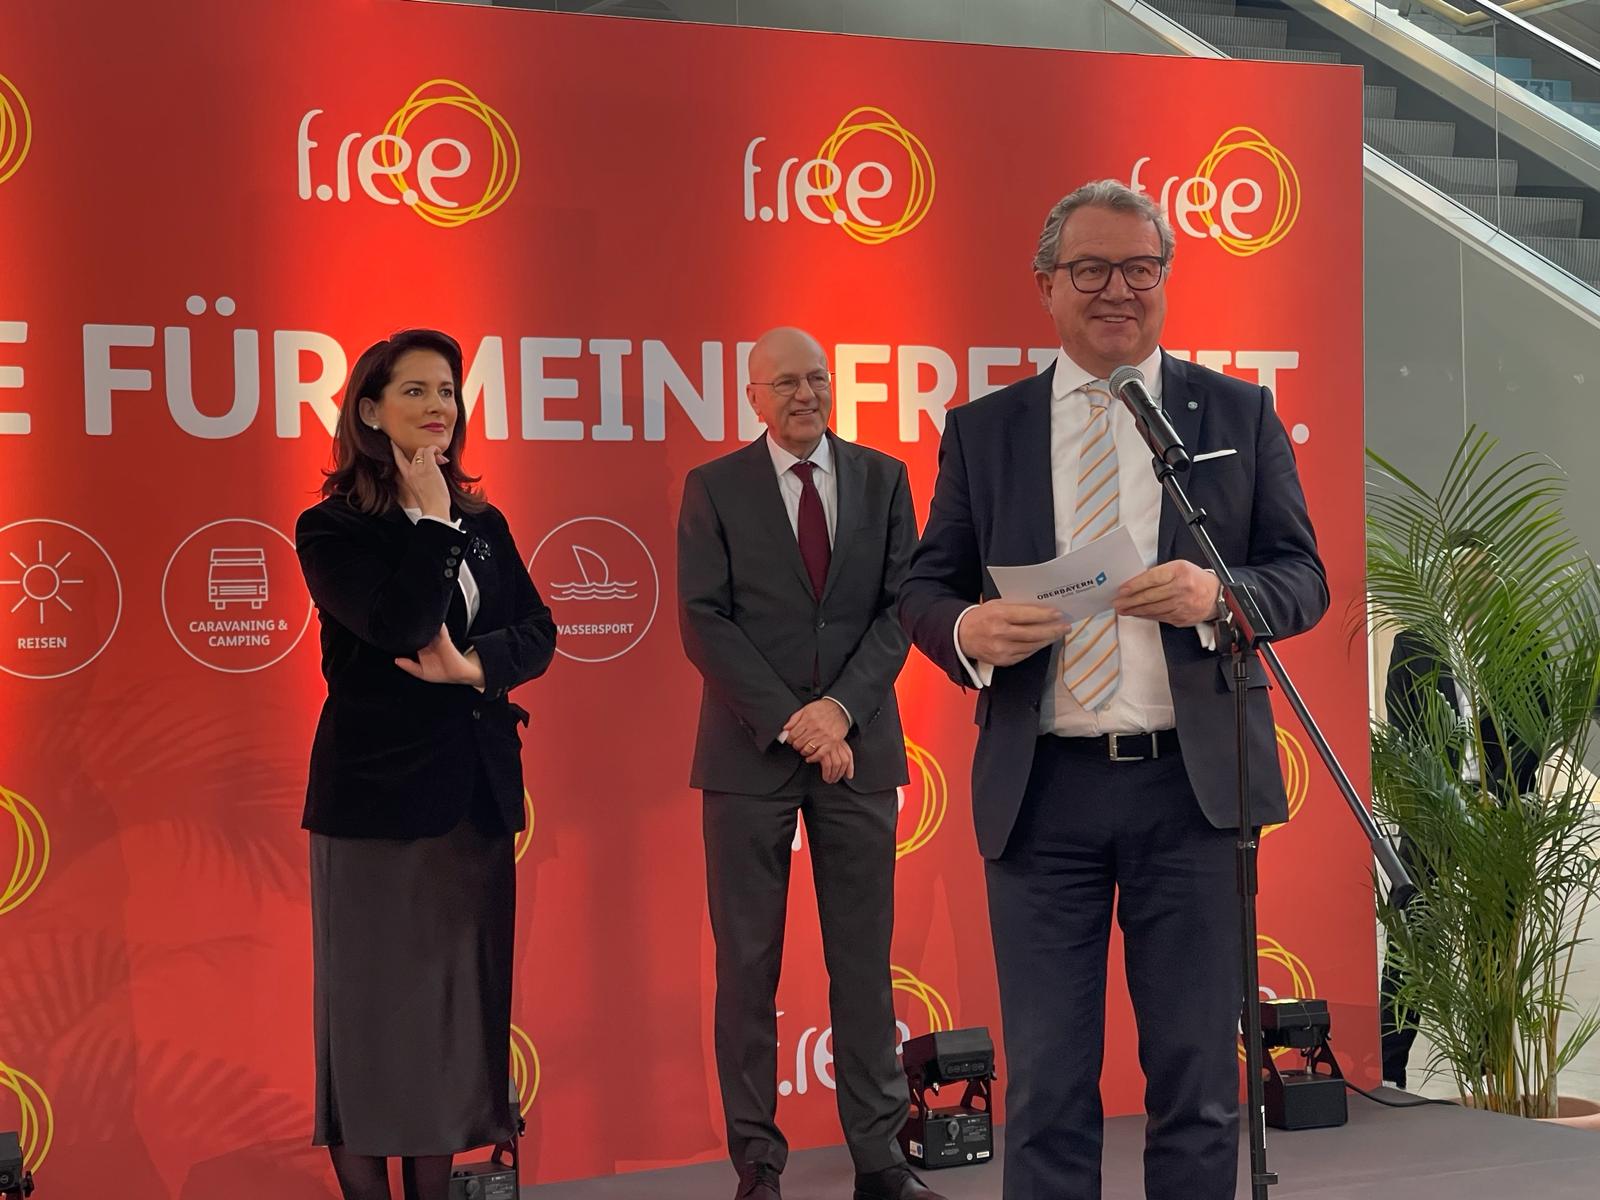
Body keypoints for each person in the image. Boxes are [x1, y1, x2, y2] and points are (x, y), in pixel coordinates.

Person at [896, 181, 1327, 1200]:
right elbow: (923, 587)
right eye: (1090, 269)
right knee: (1048, 1086)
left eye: (1139, 267)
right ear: (1046, 286)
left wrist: (1218, 594)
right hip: (1043, 793)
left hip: (1192, 792)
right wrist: (964, 629)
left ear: (1165, 279)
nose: (1117, 290)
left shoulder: (1235, 413)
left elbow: (1301, 577)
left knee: (1196, 1081)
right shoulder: (985, 429)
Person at [676, 327, 941, 1200]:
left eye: (817, 378)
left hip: (857, 751)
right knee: (747, 967)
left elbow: (901, 608)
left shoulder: (884, 478)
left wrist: (839, 712)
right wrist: (794, 721)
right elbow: (703, 620)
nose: (805, 395)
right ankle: (758, 1164)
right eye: (785, 382)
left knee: (864, 964)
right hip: (748, 753)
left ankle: (881, 1160)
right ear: (752, 397)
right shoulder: (714, 488)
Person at [295, 328, 557, 1200]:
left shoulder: (485, 523)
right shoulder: (333, 528)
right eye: (415, 390)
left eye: (447, 390)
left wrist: (473, 667)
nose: (438, 406)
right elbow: (400, 623)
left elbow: (538, 632)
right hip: (375, 813)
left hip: (472, 807)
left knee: (448, 1037)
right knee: (376, 1034)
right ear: (369, 411)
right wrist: (433, 522)